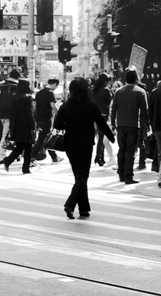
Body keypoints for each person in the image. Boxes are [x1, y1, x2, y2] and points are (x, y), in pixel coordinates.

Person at [54, 77, 115, 219]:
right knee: (82, 177)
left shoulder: (65, 106)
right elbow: (101, 123)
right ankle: (70, 204)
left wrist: (69, 125)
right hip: (85, 144)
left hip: (70, 144)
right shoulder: (90, 106)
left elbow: (57, 124)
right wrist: (111, 136)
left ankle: (83, 208)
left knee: (79, 177)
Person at [110, 69, 149, 184]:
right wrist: (148, 124)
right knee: (130, 151)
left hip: (120, 125)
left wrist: (113, 123)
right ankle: (128, 176)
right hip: (133, 125)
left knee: (122, 149)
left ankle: (121, 174)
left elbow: (114, 109)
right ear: (136, 79)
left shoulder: (118, 91)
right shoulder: (141, 92)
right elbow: (145, 111)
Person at [0, 79, 35, 174]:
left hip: (16, 124)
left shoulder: (13, 97)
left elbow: (11, 112)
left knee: (19, 146)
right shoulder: (27, 98)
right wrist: (33, 125)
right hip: (26, 124)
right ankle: (25, 168)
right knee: (28, 147)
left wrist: (12, 126)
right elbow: (30, 113)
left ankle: (8, 161)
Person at [33, 79, 60, 165]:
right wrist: (59, 115)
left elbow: (34, 106)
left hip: (38, 118)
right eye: (56, 86)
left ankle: (54, 157)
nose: (56, 88)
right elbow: (53, 106)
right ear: (54, 84)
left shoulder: (39, 93)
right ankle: (32, 157)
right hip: (46, 118)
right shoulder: (50, 93)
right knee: (42, 139)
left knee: (46, 137)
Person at [0, 69, 19, 152]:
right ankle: (1, 154)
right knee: (6, 134)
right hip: (13, 113)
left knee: (6, 133)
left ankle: (14, 153)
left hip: (0, 113)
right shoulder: (17, 85)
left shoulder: (0, 84)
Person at [91, 73, 114, 167]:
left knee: (100, 137)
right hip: (103, 115)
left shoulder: (92, 91)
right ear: (105, 81)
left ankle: (101, 157)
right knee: (101, 137)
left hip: (93, 115)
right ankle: (98, 157)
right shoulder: (105, 90)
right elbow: (110, 101)